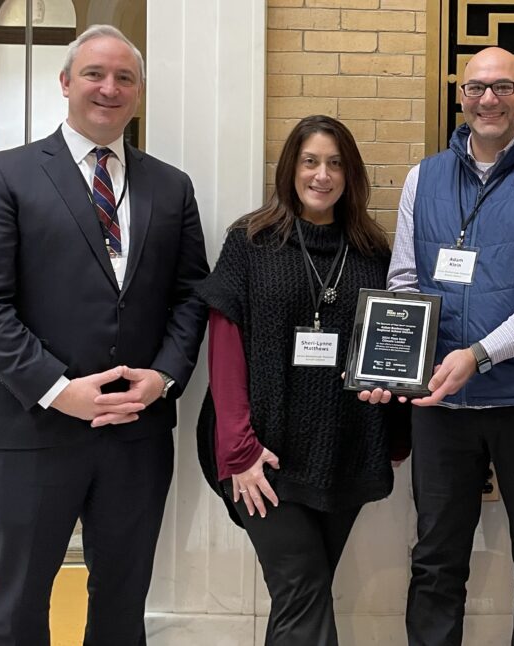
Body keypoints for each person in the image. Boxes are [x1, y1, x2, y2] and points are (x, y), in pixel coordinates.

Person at [0, 25, 208, 645]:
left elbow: (192, 295)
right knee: (18, 606)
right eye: (94, 73)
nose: (109, 88)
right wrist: (57, 388)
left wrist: (163, 378)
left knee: (122, 605)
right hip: (31, 431)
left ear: (139, 92)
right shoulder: (4, 177)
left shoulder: (170, 186)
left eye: (125, 77)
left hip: (135, 433)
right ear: (65, 83)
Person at [363, 46, 514, 645]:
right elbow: (404, 283)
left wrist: (481, 355)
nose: (487, 99)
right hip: (442, 409)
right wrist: (394, 364)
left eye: (502, 87)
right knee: (436, 562)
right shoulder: (425, 176)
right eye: (475, 88)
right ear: (460, 96)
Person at [195, 115, 409, 646]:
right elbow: (223, 352)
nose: (322, 175)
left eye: (335, 163)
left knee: (302, 597)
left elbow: (390, 351)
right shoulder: (250, 241)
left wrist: (396, 432)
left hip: (345, 448)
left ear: (350, 174)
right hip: (262, 453)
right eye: (310, 161)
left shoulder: (372, 253)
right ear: (290, 167)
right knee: (301, 591)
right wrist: (239, 449)